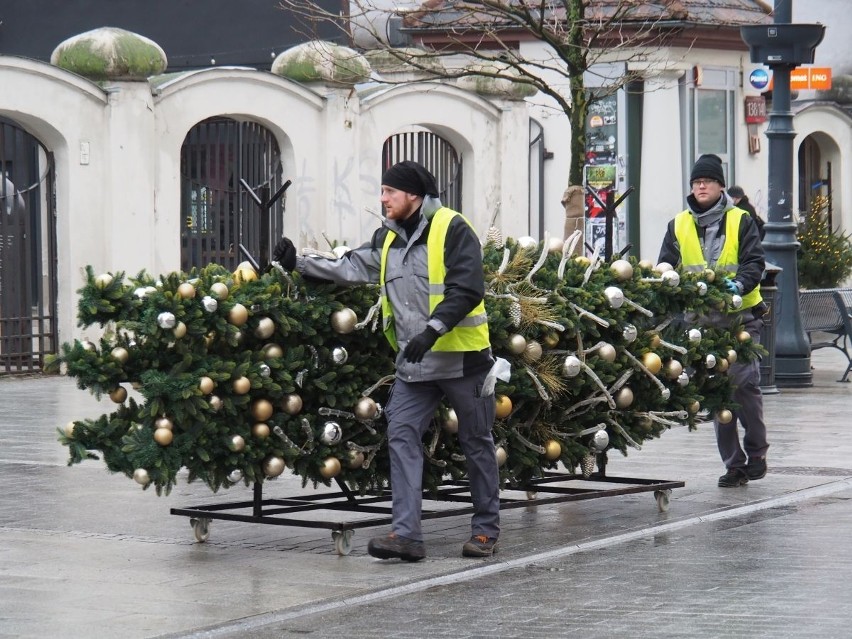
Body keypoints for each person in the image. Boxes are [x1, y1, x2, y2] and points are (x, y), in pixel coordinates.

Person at [273, 160, 500, 560]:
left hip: (464, 361)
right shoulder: (387, 238)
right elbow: (350, 266)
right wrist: (298, 263)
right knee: (401, 434)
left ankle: (484, 531)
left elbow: (467, 288)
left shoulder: (452, 228)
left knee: (476, 441)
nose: (382, 198)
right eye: (382, 191)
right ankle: (407, 535)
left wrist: (433, 330)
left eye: (389, 191)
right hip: (416, 366)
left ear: (412, 195)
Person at [659, 154, 769, 488]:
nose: (701, 185)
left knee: (742, 384)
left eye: (706, 181)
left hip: (741, 320)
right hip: (701, 325)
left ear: (720, 185)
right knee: (718, 394)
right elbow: (666, 266)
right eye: (696, 182)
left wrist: (739, 285)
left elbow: (754, 262)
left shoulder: (740, 220)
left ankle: (757, 451)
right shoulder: (678, 224)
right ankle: (734, 465)